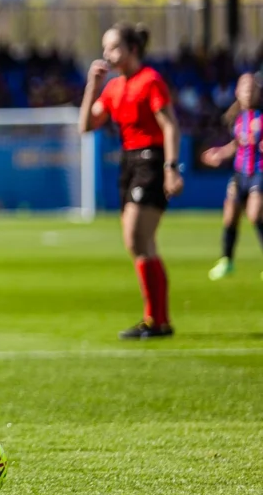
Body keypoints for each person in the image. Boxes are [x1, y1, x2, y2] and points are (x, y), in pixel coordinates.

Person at [79, 22, 184, 339]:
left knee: (139, 238)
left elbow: (170, 126)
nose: (107, 54)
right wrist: (92, 86)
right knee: (139, 243)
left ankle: (156, 319)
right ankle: (157, 320)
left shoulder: (150, 81)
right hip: (129, 162)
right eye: (104, 48)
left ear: (132, 49)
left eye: (113, 47)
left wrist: (171, 167)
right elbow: (85, 125)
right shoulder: (113, 88)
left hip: (151, 160)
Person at [202, 73, 263, 280]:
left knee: (255, 214)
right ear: (237, 92)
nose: (248, 92)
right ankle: (227, 261)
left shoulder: (261, 117)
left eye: (251, 88)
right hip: (240, 172)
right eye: (244, 88)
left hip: (259, 172)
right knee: (230, 214)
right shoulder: (238, 118)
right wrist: (219, 154)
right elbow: (237, 145)